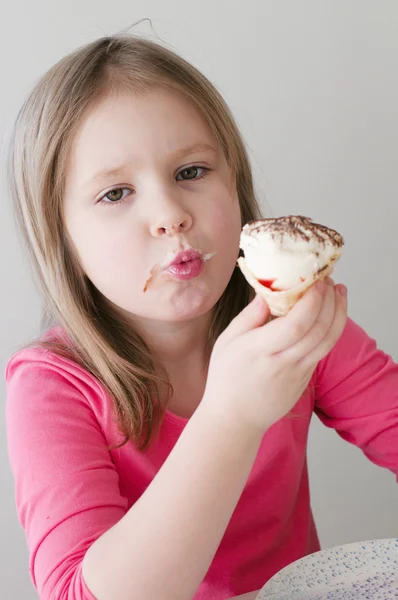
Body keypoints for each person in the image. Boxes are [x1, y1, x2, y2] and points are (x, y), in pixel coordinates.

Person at [4, 33, 398, 600]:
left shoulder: (291, 325)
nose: (169, 215)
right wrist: (231, 418)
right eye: (115, 193)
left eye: (191, 172)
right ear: (62, 238)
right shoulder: (52, 388)